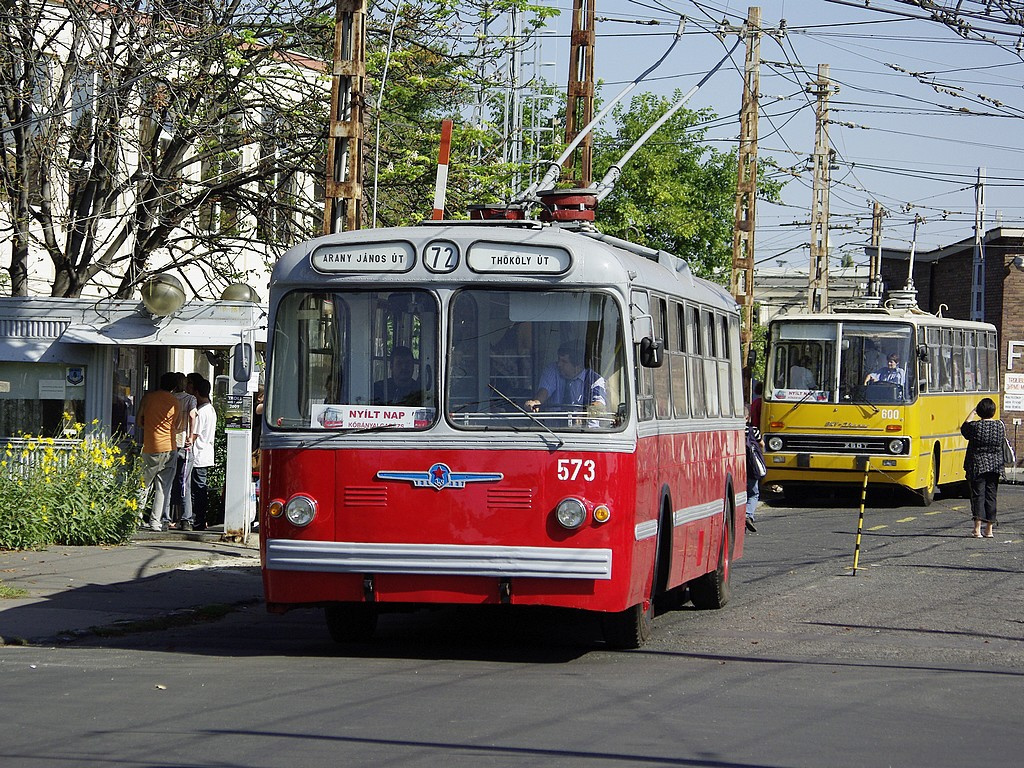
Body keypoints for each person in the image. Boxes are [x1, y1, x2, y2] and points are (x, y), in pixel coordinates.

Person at [136, 371, 181, 532]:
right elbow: (177, 425)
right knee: (163, 487)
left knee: (144, 485)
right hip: (169, 447)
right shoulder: (175, 402)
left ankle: (136, 518)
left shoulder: (148, 398)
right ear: (174, 386)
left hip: (150, 447)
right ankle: (155, 522)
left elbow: (139, 421)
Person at [961, 397, 1005, 538]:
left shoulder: (975, 427)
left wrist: (972, 412)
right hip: (995, 465)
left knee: (978, 496)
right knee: (991, 496)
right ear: (993, 412)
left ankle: (977, 529)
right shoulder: (1000, 425)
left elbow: (964, 428)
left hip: (978, 465)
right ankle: (989, 529)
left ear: (979, 411)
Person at [526, 342, 606, 412]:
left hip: (587, 428)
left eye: (564, 362)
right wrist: (536, 402)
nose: (559, 364)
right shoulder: (553, 370)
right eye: (559, 360)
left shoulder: (595, 380)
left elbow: (600, 405)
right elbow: (544, 391)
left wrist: (583, 413)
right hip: (552, 428)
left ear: (578, 366)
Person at [169, 372, 198, 529]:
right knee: (184, 483)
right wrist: (191, 435)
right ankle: (186, 519)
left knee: (168, 481)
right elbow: (193, 415)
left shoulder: (169, 398)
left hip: (170, 443)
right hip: (185, 444)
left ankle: (167, 518)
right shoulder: (190, 399)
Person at [187, 377, 216, 532]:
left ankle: (197, 520)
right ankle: (201, 519)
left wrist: (188, 439)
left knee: (197, 490)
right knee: (201, 489)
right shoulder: (211, 409)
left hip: (198, 454)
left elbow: (195, 434)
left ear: (197, 392)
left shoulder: (201, 412)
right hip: (207, 453)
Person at [745, 404, 766, 533]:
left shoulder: (733, 431)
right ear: (748, 418)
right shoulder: (753, 431)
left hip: (738, 467)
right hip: (751, 468)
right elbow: (761, 445)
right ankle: (748, 515)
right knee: (753, 493)